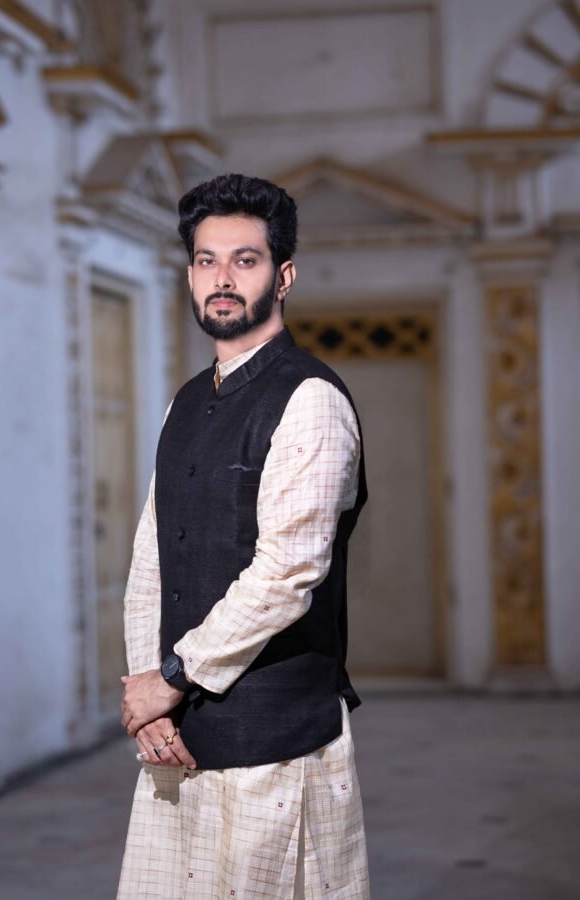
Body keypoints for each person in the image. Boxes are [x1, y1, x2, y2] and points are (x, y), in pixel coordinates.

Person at [118, 173, 370, 899]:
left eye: (245, 260)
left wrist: (167, 680)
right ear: (190, 276)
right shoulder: (187, 401)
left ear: (283, 276)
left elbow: (286, 575)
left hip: (274, 743)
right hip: (176, 731)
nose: (222, 279)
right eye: (206, 260)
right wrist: (148, 694)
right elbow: (151, 556)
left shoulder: (310, 399)